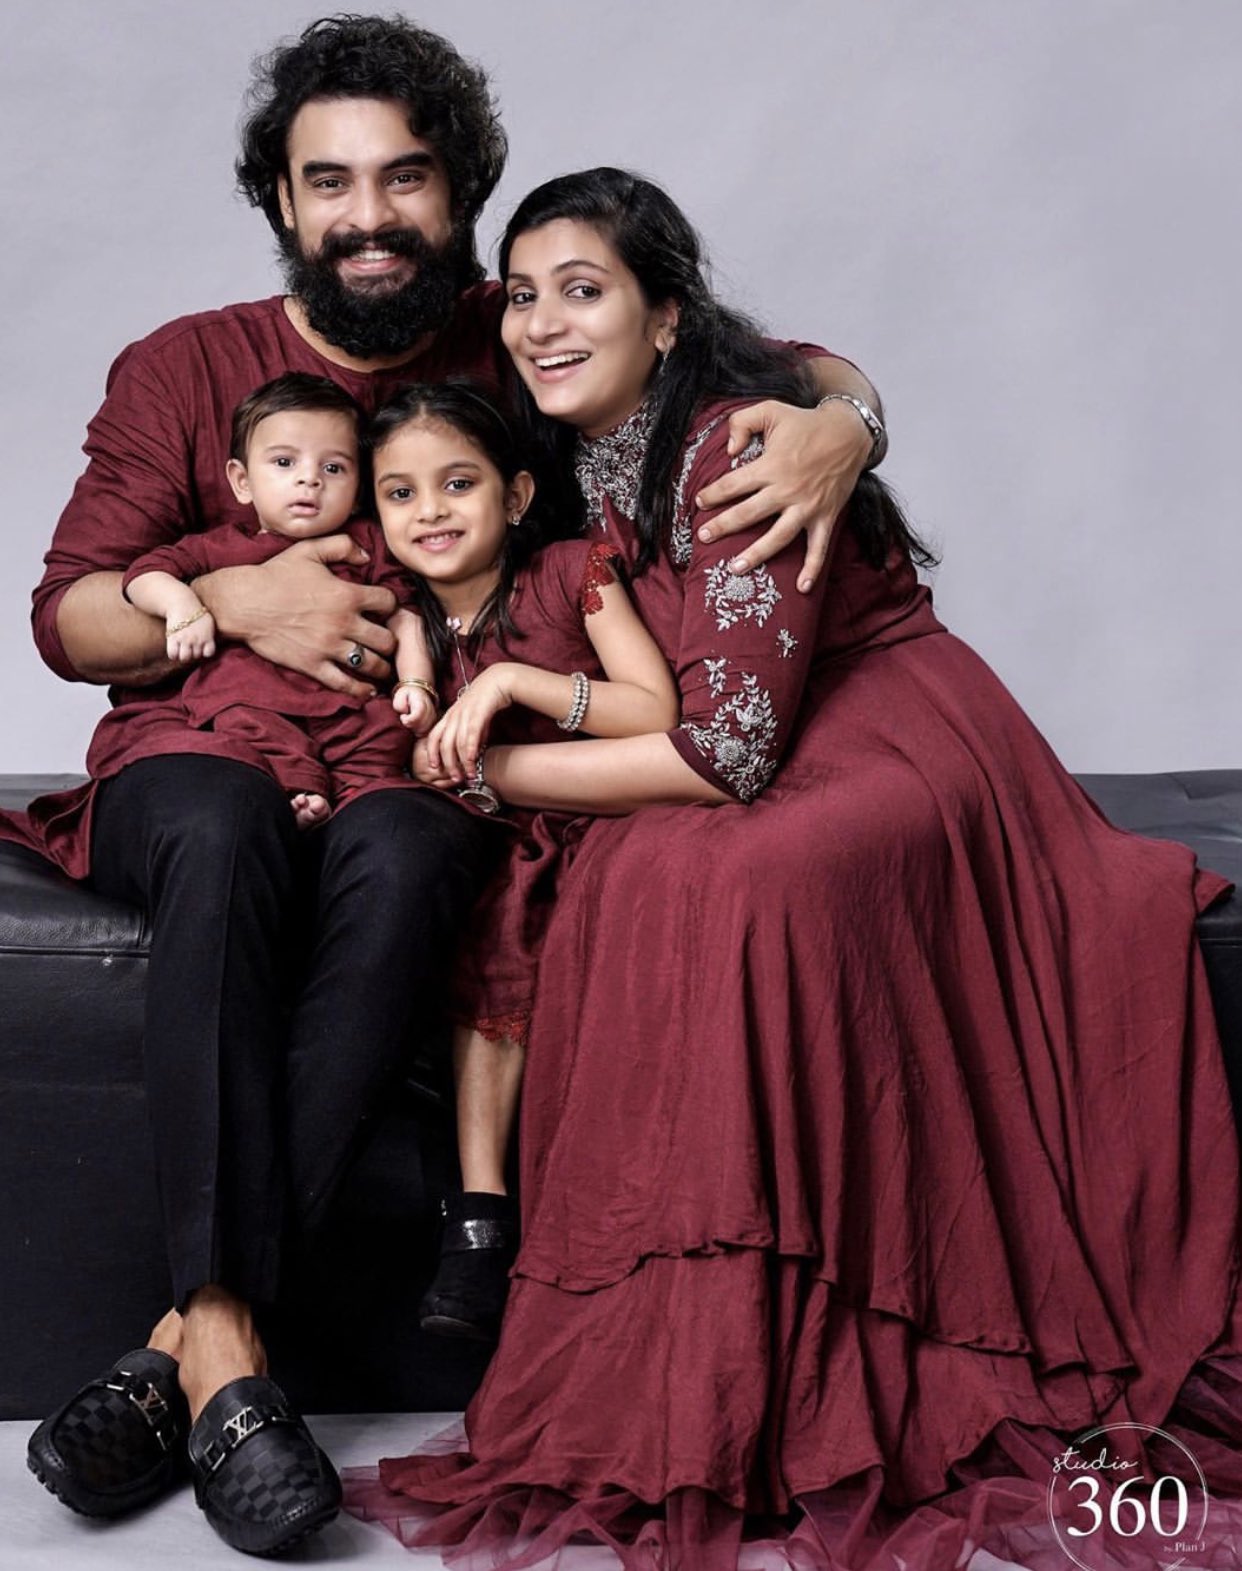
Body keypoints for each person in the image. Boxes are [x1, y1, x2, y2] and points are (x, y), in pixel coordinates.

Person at [25, 15, 884, 1556]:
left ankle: (188, 1347)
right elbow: (70, 618)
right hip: (197, 757)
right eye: (329, 182)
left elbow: (782, 365)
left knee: (421, 851)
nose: (369, 215)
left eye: (405, 177)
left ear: (462, 190)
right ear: (281, 200)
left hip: (404, 761)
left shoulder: (518, 331)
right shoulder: (183, 365)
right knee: (219, 827)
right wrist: (229, 598)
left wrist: (847, 425)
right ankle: (221, 1344)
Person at [345, 168, 1242, 1569]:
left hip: (888, 729)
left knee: (740, 884)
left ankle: (838, 1347)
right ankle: (694, 1381)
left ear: (666, 314)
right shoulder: (542, 422)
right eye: (521, 294)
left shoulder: (734, 439)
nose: (539, 322)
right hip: (730, 727)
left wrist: (487, 767)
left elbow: (726, 755)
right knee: (631, 883)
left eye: (582, 290)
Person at [369, 380, 680, 1342]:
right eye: (401, 492)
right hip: (481, 839)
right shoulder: (399, 618)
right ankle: (479, 1217)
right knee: (475, 915)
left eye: (458, 483)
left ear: (513, 495)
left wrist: (512, 680)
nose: (430, 511)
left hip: (599, 817)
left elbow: (658, 709)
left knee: (531, 915)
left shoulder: (567, 573)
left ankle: (549, 1214)